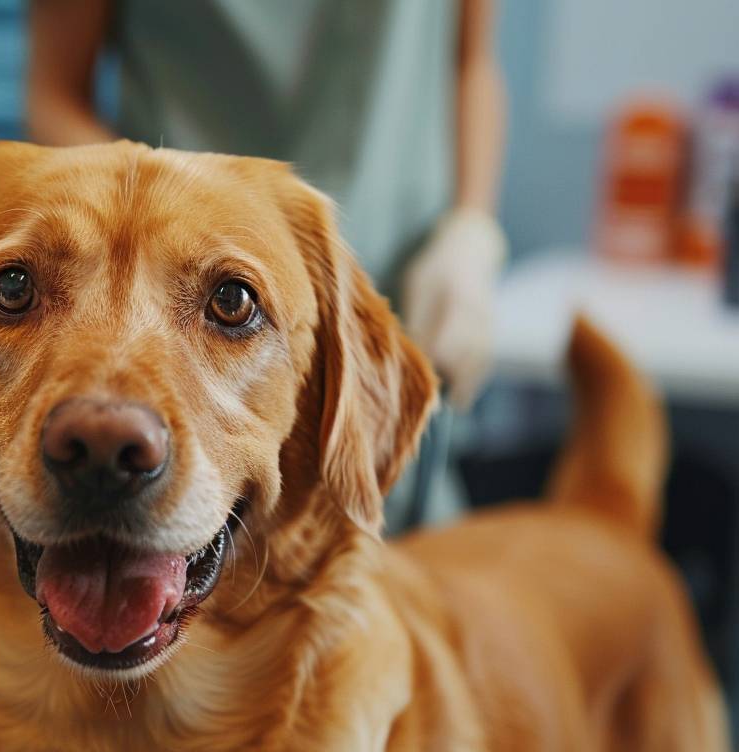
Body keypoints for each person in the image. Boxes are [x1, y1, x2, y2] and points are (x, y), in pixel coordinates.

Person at [27, 0, 508, 532]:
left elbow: (471, 64)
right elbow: (54, 92)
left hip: (400, 303)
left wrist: (473, 227)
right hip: (169, 323)